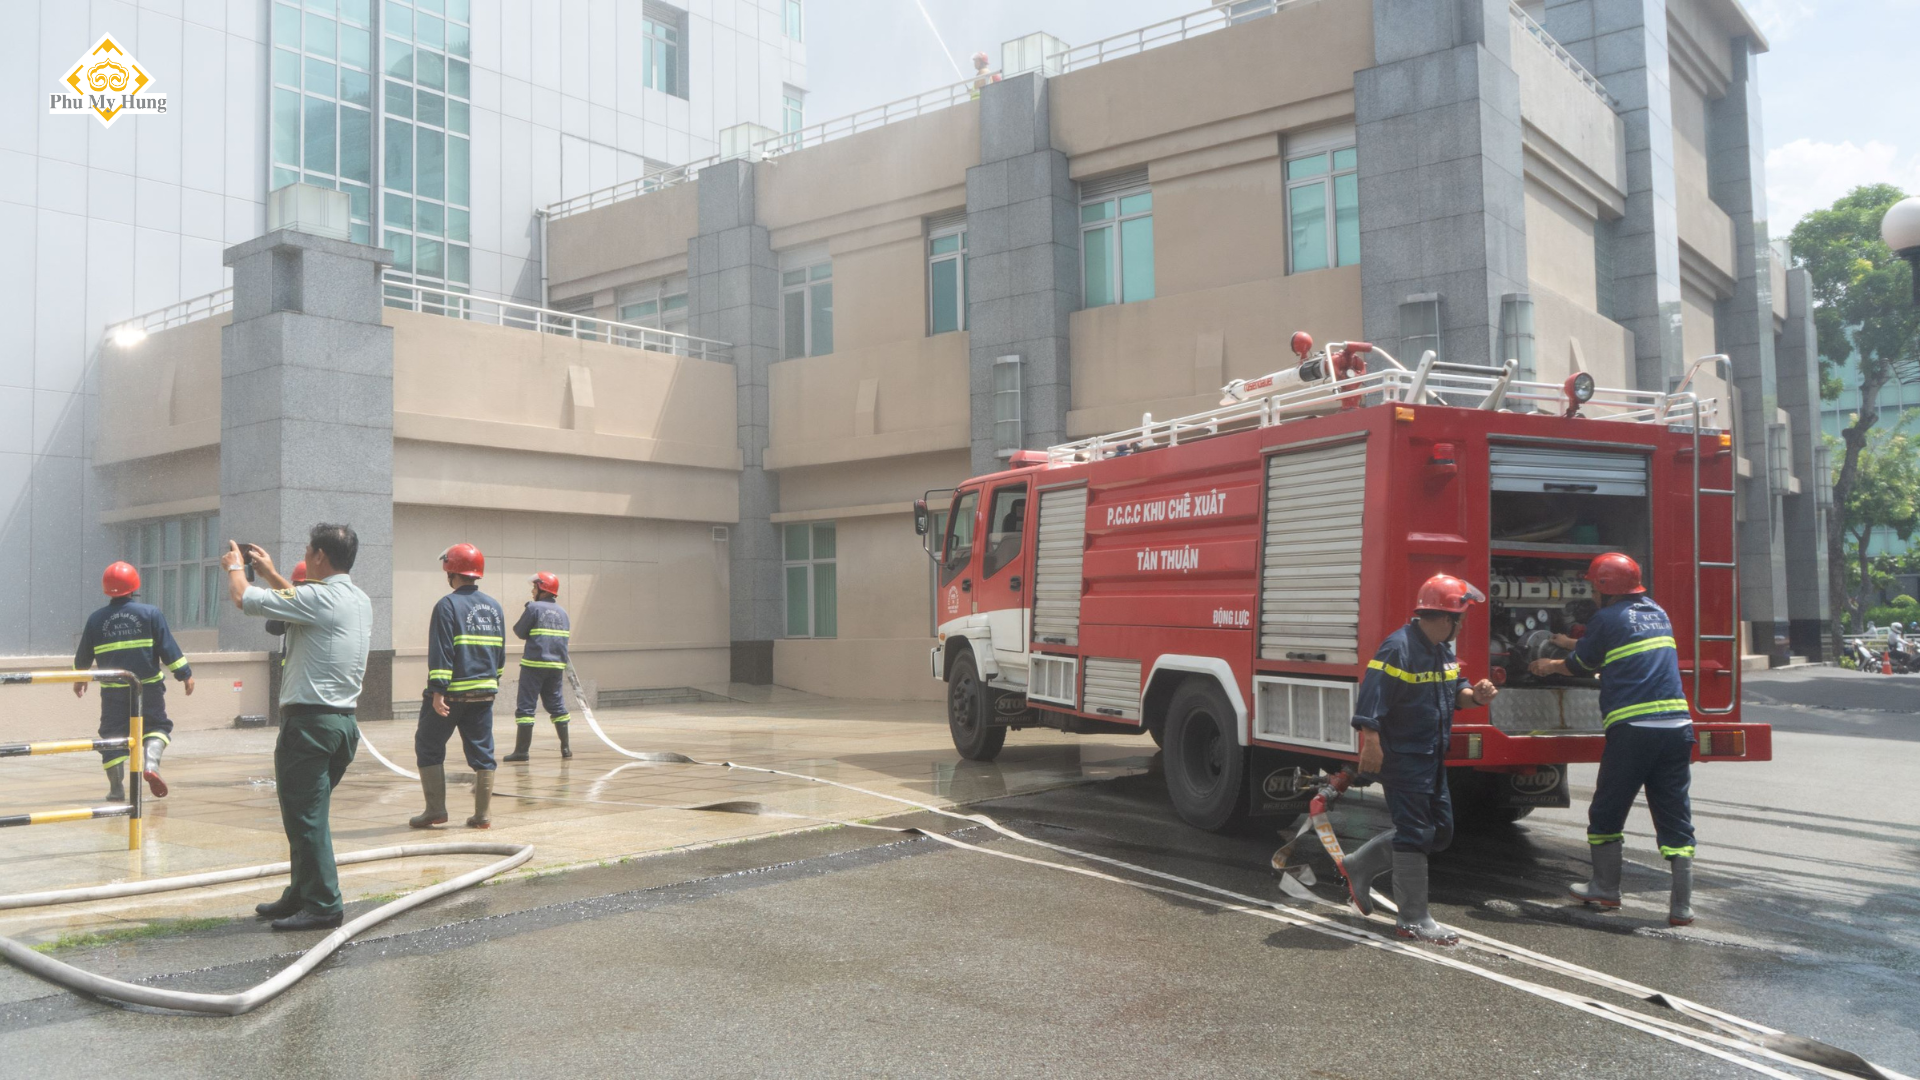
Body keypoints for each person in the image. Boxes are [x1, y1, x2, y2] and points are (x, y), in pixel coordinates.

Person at [1530, 552, 1697, 927]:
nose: (1591, 594)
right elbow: (1620, 644)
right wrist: (1571, 642)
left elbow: (1582, 665)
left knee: (1608, 808)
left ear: (1606, 589)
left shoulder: (1605, 618)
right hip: (1677, 728)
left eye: (1593, 587)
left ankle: (1605, 888)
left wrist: (1549, 664)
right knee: (1674, 812)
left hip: (1635, 730)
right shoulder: (1657, 612)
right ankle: (1681, 907)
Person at [225, 526, 372, 933]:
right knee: (307, 816)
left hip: (309, 726)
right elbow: (301, 602)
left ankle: (323, 905)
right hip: (341, 726)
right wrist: (271, 574)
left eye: (308, 550)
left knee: (306, 819)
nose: (305, 556)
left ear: (320, 556)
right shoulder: (357, 599)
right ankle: (301, 893)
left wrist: (236, 567)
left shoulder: (319, 597)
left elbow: (242, 598)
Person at [1342, 574, 1499, 945]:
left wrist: (1476, 696)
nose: (1462, 625)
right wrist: (1371, 742)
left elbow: (1455, 692)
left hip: (1431, 755)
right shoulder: (1397, 648)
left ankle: (1358, 864)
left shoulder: (1441, 650)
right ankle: (1412, 919)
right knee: (1414, 833)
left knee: (1439, 832)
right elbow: (1372, 697)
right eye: (1461, 618)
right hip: (1404, 756)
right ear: (1446, 618)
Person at [73, 562, 195, 801]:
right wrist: (185, 674)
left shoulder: (96, 619)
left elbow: (84, 653)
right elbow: (168, 648)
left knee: (112, 736)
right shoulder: (150, 614)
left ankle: (116, 789)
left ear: (106, 589)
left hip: (113, 691)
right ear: (134, 586)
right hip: (147, 688)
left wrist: (80, 677)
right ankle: (151, 765)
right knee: (157, 727)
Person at [411, 543, 506, 830]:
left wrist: (438, 690)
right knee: (483, 752)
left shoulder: (447, 605)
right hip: (484, 692)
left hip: (451, 694)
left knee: (428, 745)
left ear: (450, 571)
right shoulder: (494, 607)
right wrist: (492, 682)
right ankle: (482, 816)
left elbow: (442, 650)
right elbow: (499, 653)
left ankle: (435, 810)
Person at [505, 571, 573, 762]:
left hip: (533, 665)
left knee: (526, 707)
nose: (532, 591)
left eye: (534, 587)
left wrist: (529, 614)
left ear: (543, 589)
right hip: (556, 667)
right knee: (556, 705)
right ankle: (566, 748)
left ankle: (521, 751)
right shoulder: (563, 613)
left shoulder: (534, 608)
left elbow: (519, 631)